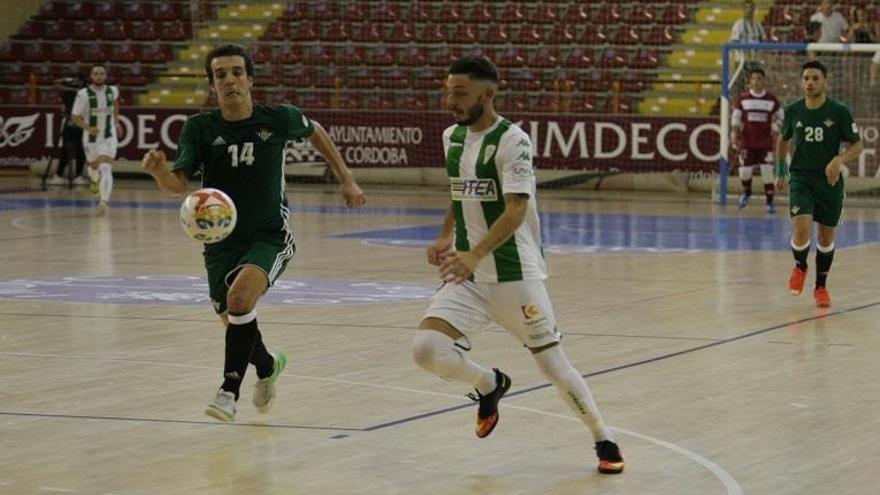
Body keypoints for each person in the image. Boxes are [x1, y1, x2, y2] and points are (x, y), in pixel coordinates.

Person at [411, 56, 624, 475]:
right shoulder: (451, 136)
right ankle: (489, 383)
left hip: (514, 275)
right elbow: (460, 194)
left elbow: (515, 210)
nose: (450, 100)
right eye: (448, 90)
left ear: (487, 95)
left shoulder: (514, 141)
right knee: (426, 351)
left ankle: (603, 436)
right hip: (468, 277)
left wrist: (476, 252)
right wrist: (444, 236)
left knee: (553, 367)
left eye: (460, 93)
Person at [141, 44, 366, 422]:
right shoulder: (199, 128)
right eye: (220, 75)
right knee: (236, 322)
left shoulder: (278, 119)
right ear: (212, 85)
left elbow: (317, 132)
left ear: (250, 79)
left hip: (269, 235)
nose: (229, 80)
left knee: (241, 299)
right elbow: (177, 185)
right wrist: (157, 171)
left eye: (236, 72)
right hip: (218, 242)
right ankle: (267, 366)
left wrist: (347, 178)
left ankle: (229, 391)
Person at [775, 60, 863, 308]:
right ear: (801, 82)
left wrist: (839, 159)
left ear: (825, 81)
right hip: (801, 178)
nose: (810, 83)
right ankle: (800, 266)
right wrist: (780, 168)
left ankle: (821, 286)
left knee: (825, 237)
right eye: (806, 78)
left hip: (829, 182)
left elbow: (857, 145)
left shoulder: (839, 111)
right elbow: (783, 140)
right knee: (802, 230)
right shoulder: (793, 111)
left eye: (815, 78)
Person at [731, 67, 783, 213]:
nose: (756, 81)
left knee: (767, 172)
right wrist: (734, 135)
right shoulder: (743, 98)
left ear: (763, 81)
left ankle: (770, 203)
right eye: (753, 78)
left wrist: (776, 126)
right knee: (744, 172)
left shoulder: (771, 99)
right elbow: (735, 118)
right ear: (750, 81)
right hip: (747, 142)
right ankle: (747, 192)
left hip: (765, 143)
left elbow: (783, 117)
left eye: (759, 78)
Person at [71, 64, 120, 215]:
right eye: (96, 73)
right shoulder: (83, 94)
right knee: (93, 166)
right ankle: (94, 180)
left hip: (108, 135)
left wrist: (116, 121)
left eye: (101, 73)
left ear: (106, 76)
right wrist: (87, 127)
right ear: (91, 76)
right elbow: (75, 117)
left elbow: (116, 103)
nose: (99, 76)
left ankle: (104, 201)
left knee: (106, 167)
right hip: (91, 137)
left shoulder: (113, 90)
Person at [47, 74, 88, 186]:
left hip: (80, 124)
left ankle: (78, 176)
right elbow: (56, 83)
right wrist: (66, 80)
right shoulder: (69, 93)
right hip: (71, 124)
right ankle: (58, 175)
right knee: (66, 150)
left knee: (80, 150)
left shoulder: (84, 93)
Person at [729, 1, 766, 66]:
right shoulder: (738, 24)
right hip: (741, 62)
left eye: (751, 7)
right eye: (747, 8)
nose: (749, 10)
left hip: (755, 61)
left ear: (754, 9)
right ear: (743, 9)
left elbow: (764, 40)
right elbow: (734, 42)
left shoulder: (758, 25)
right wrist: (743, 54)